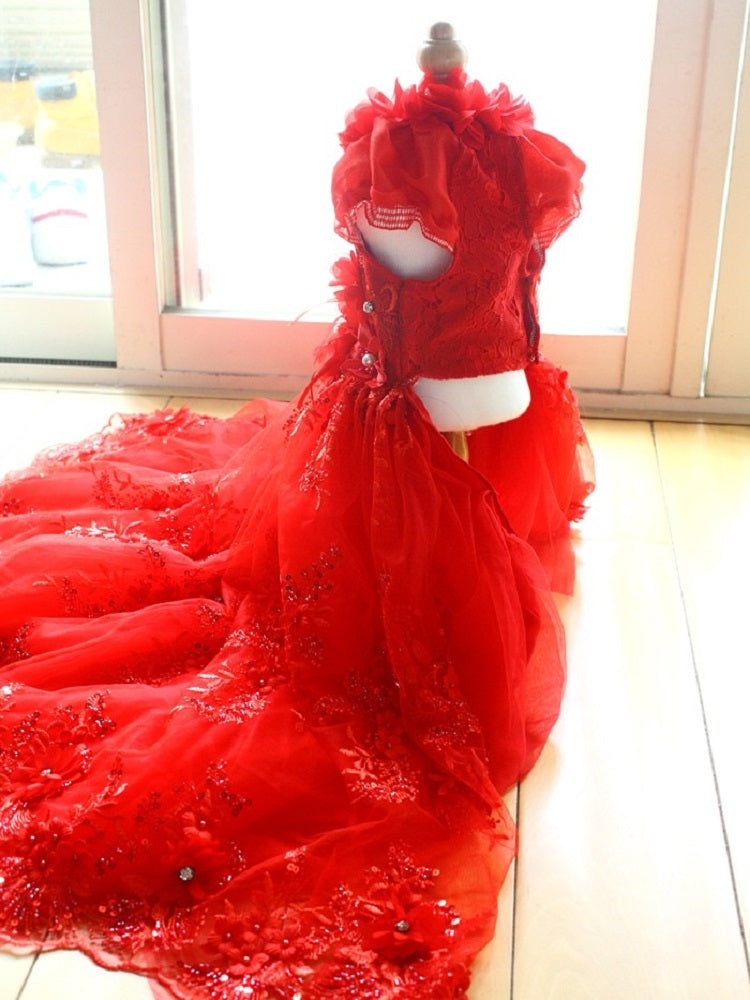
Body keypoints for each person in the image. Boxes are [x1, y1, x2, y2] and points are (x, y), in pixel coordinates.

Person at [0, 26, 593, 999]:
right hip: (438, 395)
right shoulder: (439, 154)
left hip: (461, 387)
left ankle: (442, 625)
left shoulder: (468, 151)